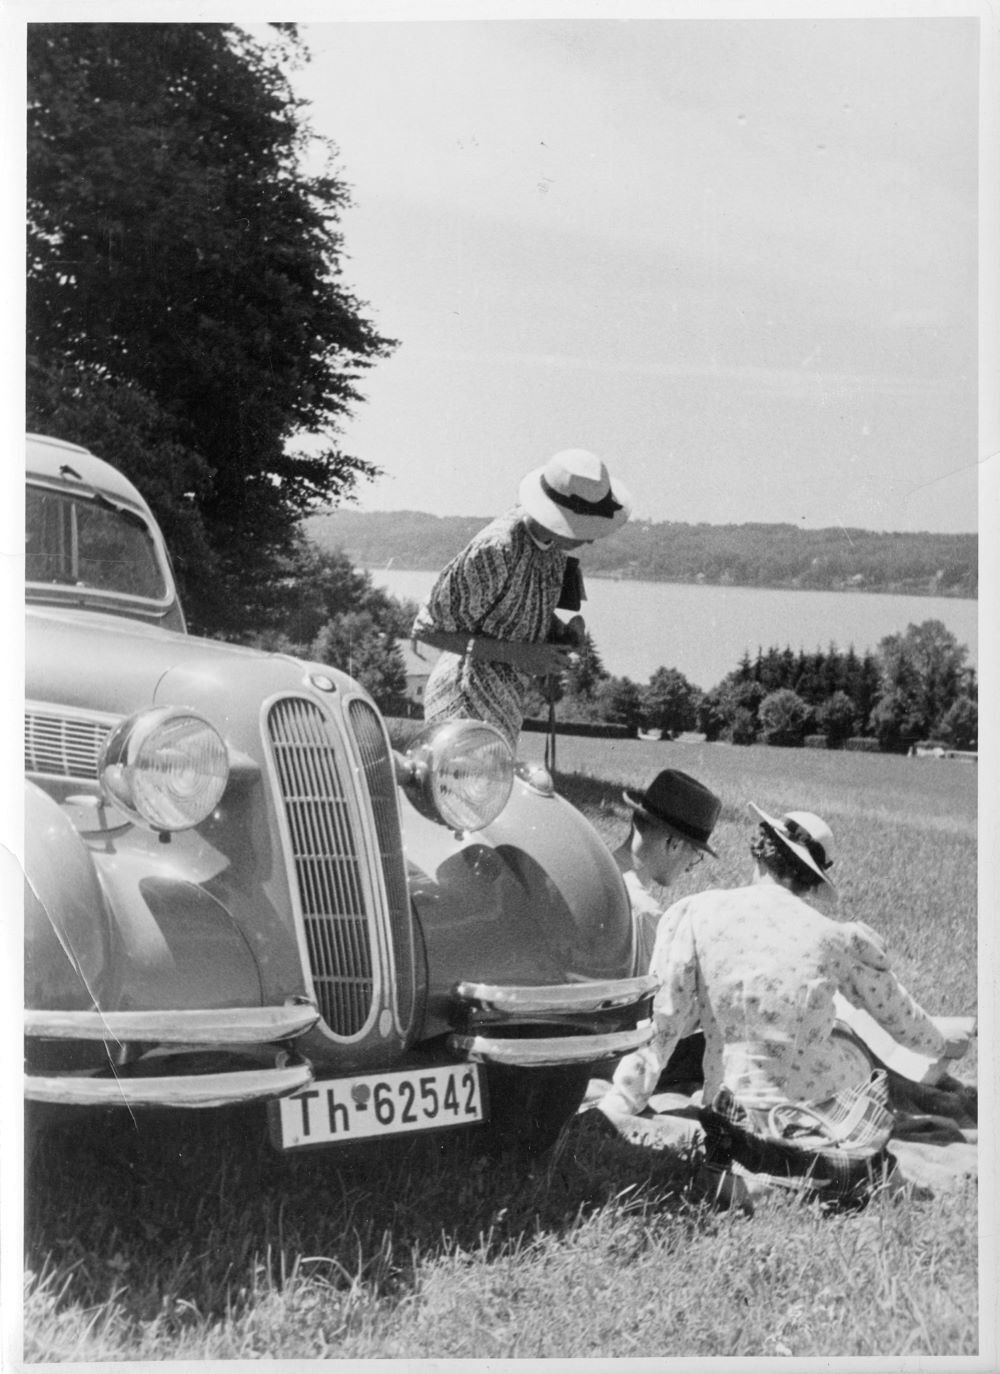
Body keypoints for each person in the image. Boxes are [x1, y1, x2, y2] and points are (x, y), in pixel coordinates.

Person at [600, 802, 974, 1202]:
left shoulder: (695, 913)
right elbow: (901, 1020)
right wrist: (940, 1043)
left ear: (759, 855)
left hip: (729, 1106)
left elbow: (663, 1021)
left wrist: (623, 1100)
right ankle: (835, 1155)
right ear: (813, 880)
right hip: (814, 1113)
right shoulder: (835, 938)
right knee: (848, 1041)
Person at [411, 449, 631, 749]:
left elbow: (513, 610)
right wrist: (520, 655)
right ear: (556, 515)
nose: (590, 540)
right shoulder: (496, 550)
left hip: (505, 706)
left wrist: (559, 632)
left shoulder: (553, 548)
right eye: (583, 528)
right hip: (463, 703)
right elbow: (428, 630)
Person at [612, 769, 722, 971]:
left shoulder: (593, 868)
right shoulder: (644, 915)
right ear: (674, 844)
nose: (689, 868)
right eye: (695, 854)